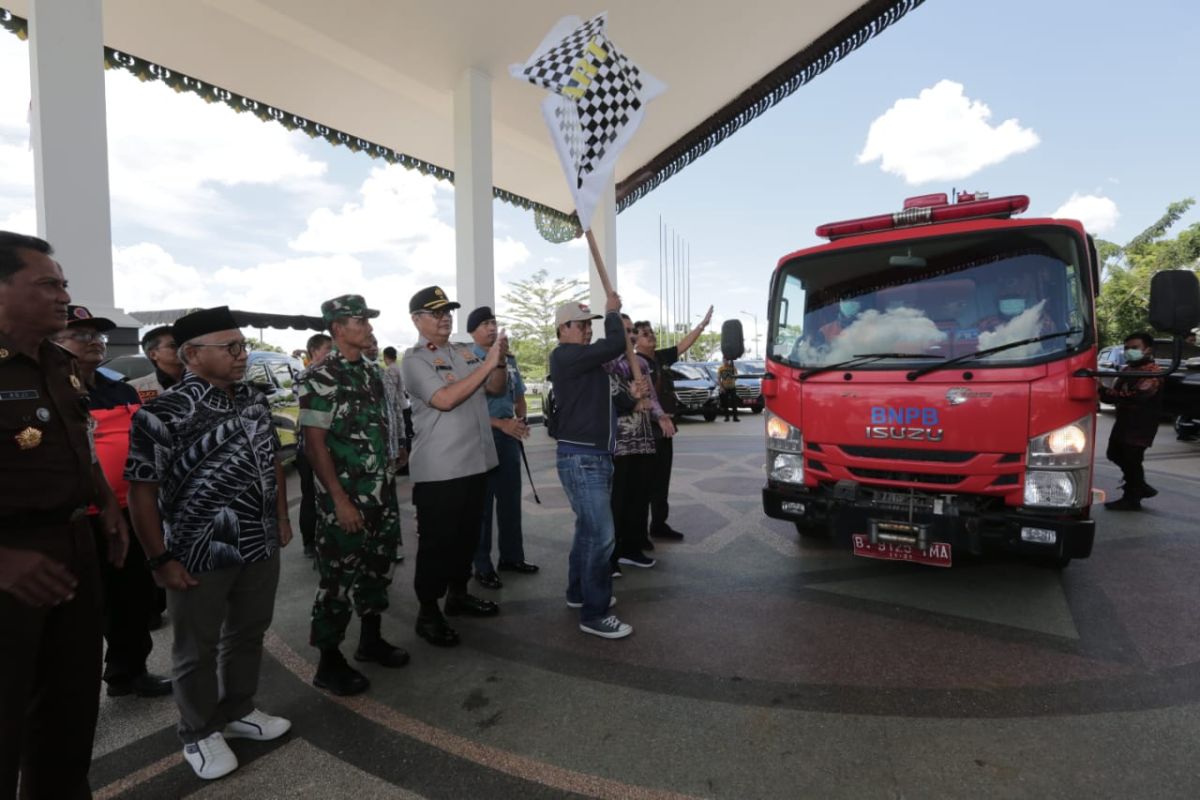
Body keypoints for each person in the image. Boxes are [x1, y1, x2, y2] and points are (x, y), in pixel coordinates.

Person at [125, 305, 292, 781]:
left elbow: (273, 460)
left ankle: (239, 709)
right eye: (232, 347)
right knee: (195, 647)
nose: (243, 355)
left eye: (243, 346)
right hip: (199, 551)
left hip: (258, 541)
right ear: (192, 355)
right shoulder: (161, 412)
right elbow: (142, 490)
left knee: (248, 631)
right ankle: (198, 731)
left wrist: (280, 515)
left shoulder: (254, 400)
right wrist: (159, 557)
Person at [0, 231, 129, 799]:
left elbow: (77, 442)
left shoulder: (58, 362)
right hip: (11, 567)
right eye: (47, 283)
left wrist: (107, 511)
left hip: (74, 549)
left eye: (64, 283)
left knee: (70, 712)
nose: (63, 295)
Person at [53, 305, 172, 699]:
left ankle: (128, 672)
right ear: (54, 343)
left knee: (133, 598)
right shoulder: (49, 387)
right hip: (75, 518)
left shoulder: (119, 386)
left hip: (130, 510)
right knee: (82, 606)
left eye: (97, 335)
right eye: (80, 335)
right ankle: (69, 690)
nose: (94, 342)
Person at [300, 296, 408, 697]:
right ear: (338, 328)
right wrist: (340, 500)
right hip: (345, 499)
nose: (368, 326)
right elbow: (314, 444)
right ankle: (329, 661)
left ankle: (370, 641)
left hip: (381, 493)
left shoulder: (371, 370)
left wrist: (395, 451)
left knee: (377, 569)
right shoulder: (320, 376)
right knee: (337, 579)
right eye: (359, 320)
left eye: (367, 320)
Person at [402, 286, 503, 647]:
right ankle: (428, 613)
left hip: (475, 463)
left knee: (466, 539)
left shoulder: (462, 351)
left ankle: (457, 596)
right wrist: (488, 363)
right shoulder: (414, 360)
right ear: (417, 320)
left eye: (448, 311)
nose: (445, 317)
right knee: (437, 544)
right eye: (436, 312)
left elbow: (494, 387)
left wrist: (498, 359)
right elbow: (445, 399)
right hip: (441, 470)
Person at [549, 294, 636, 639]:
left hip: (594, 457)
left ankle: (578, 592)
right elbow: (615, 343)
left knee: (588, 530)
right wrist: (613, 312)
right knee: (601, 536)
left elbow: (614, 405)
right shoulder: (566, 355)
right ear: (563, 329)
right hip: (582, 459)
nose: (587, 330)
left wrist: (633, 396)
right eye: (581, 325)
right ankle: (594, 613)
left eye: (590, 324)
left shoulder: (587, 364)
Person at [466, 305, 539, 591]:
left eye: (494, 322)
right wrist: (501, 424)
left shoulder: (508, 359)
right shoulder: (469, 359)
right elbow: (469, 408)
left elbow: (518, 393)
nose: (492, 328)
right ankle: (482, 566)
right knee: (483, 506)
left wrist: (520, 419)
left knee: (510, 502)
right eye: (485, 324)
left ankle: (512, 557)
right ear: (473, 331)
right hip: (482, 436)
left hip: (509, 436)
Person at [633, 306, 712, 543]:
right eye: (645, 333)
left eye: (651, 332)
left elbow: (682, 345)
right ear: (635, 341)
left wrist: (701, 326)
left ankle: (658, 524)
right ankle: (638, 532)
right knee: (643, 483)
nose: (651, 335)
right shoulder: (634, 362)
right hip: (646, 428)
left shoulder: (659, 357)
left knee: (661, 479)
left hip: (664, 428)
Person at [605, 315, 667, 575]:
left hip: (642, 441)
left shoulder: (641, 362)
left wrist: (661, 416)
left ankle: (632, 549)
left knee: (638, 499)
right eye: (625, 330)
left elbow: (651, 398)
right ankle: (611, 557)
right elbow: (608, 397)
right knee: (616, 502)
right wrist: (632, 398)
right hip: (618, 444)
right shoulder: (604, 363)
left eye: (632, 330)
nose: (630, 335)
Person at [1100, 332, 1165, 511]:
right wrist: (1103, 392)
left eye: (1134, 348)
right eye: (1127, 348)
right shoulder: (1128, 370)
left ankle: (1132, 496)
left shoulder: (1153, 372)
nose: (1129, 351)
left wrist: (1105, 392)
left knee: (1131, 458)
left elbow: (1138, 396)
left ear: (1148, 349)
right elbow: (1114, 396)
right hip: (1124, 422)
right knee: (1115, 453)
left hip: (1141, 425)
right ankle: (1139, 485)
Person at [294, 332, 332, 558]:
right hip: (309, 449)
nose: (332, 354)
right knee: (309, 495)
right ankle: (309, 541)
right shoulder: (304, 377)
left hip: (332, 448)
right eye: (328, 349)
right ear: (314, 352)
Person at [128, 324, 183, 402]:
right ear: (153, 354)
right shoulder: (134, 388)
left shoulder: (204, 381)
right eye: (173, 345)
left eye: (183, 344)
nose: (182, 348)